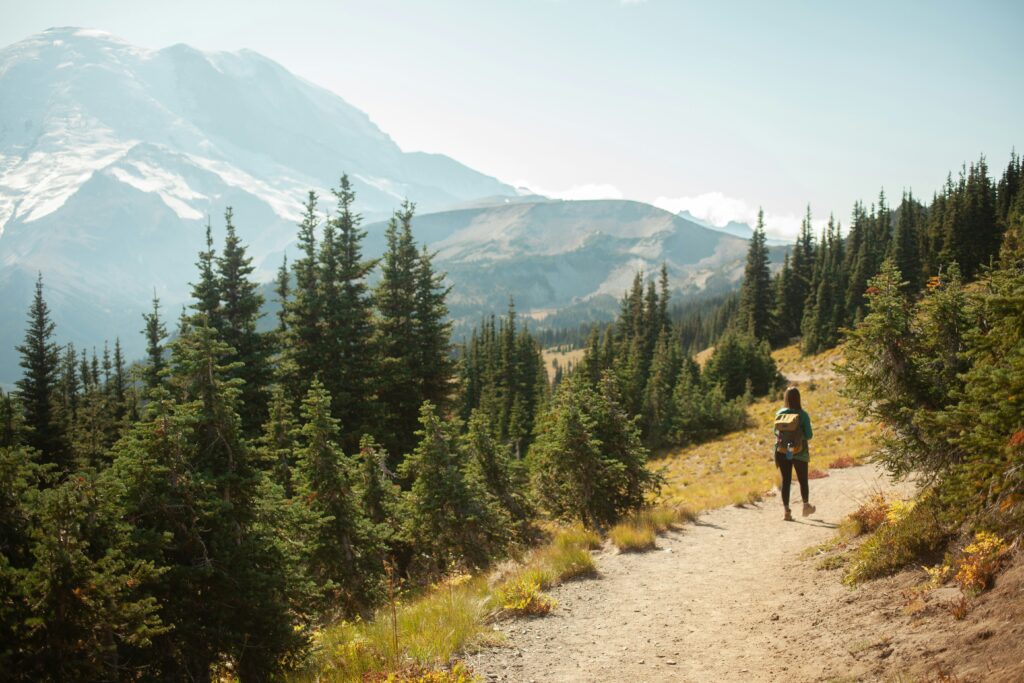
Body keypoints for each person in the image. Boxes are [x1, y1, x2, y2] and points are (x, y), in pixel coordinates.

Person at [774, 386, 815, 521]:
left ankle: (786, 511)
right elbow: (809, 435)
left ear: (786, 398)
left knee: (786, 481)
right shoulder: (803, 415)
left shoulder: (780, 413)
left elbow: (775, 431)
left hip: (782, 451)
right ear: (798, 398)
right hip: (799, 452)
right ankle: (805, 506)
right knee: (803, 480)